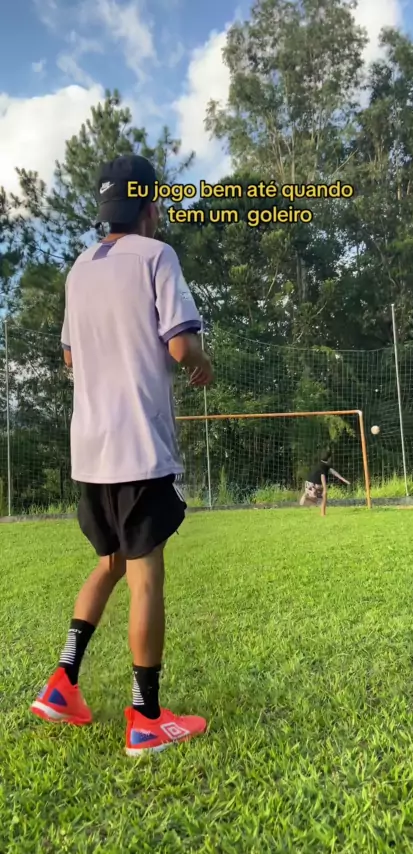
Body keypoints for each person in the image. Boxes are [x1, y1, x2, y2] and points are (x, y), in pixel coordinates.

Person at [30, 154, 213, 757]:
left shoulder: (79, 269)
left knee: (111, 562)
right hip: (139, 445)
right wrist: (202, 363)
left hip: (90, 449)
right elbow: (181, 344)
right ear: (149, 207)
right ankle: (146, 717)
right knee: (145, 576)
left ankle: (63, 684)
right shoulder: (157, 256)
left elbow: (69, 357)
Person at [299, 451, 350, 517]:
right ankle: (322, 513)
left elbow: (334, 472)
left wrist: (344, 480)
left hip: (308, 483)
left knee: (316, 501)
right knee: (321, 500)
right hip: (316, 485)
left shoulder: (320, 465)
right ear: (329, 458)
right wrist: (325, 488)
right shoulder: (324, 467)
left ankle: (306, 498)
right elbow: (322, 475)